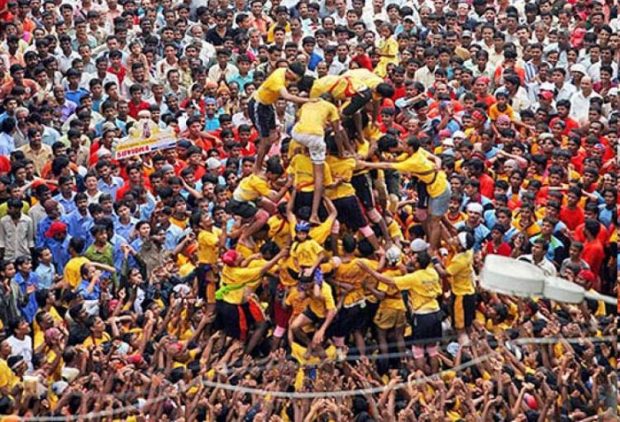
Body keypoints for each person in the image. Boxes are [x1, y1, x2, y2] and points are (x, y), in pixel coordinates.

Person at [248, 62, 313, 171]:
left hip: (268, 104)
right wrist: (309, 100)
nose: (295, 81)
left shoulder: (283, 71)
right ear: (289, 72)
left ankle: (263, 159)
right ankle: (257, 167)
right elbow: (287, 96)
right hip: (258, 105)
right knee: (265, 140)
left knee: (272, 137)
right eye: (295, 78)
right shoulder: (277, 80)